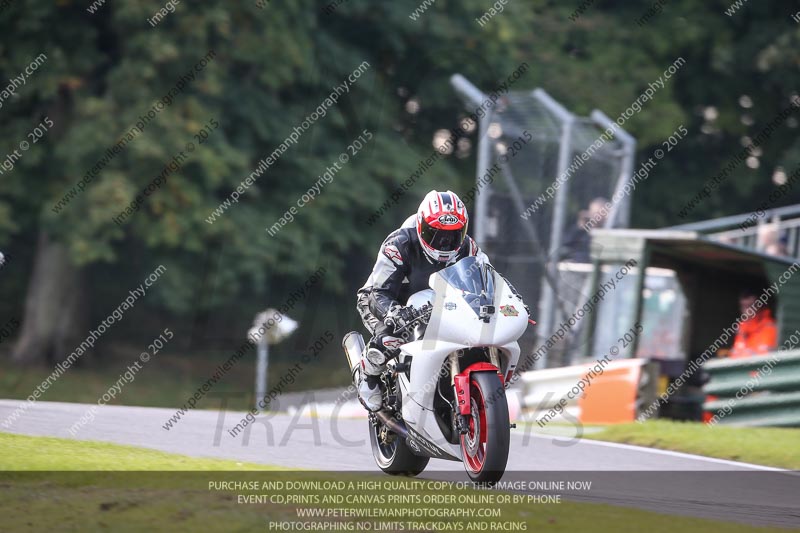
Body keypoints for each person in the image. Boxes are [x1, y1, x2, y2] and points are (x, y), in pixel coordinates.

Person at [355, 190, 492, 411]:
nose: (445, 243)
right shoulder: (399, 245)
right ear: (421, 226)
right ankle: (368, 375)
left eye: (453, 235)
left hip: (437, 303)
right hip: (385, 299)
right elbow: (378, 293)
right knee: (391, 339)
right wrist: (394, 313)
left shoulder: (468, 247)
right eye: (435, 234)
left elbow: (487, 280)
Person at [729, 288, 777, 359]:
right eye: (743, 306)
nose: (746, 311)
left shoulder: (769, 326)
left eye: (749, 306)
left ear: (759, 306)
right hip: (742, 368)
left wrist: (746, 353)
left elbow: (765, 355)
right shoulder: (742, 326)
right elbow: (734, 354)